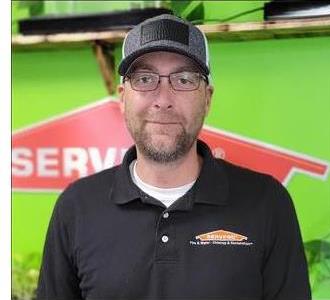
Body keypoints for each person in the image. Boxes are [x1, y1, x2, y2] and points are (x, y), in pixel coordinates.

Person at [37, 14, 311, 300]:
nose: (163, 99)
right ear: (122, 97)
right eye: (144, 79)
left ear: (207, 98)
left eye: (183, 79)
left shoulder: (266, 202)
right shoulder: (77, 207)